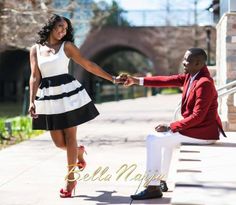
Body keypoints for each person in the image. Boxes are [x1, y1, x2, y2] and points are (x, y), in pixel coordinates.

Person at [28, 14, 124, 198]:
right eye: (59, 27)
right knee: (59, 143)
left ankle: (70, 180)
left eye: (65, 29)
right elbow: (35, 76)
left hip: (69, 94)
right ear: (50, 27)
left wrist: (112, 78)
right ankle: (79, 152)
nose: (62, 31)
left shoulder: (68, 46)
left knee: (71, 137)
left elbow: (88, 64)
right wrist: (32, 101)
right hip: (48, 96)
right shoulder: (35, 49)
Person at [124, 48, 226, 200]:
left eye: (187, 60)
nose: (184, 63)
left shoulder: (204, 83)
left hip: (204, 133)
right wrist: (136, 80)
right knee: (164, 139)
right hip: (197, 129)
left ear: (198, 63)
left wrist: (171, 126)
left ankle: (153, 187)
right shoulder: (191, 75)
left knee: (153, 139)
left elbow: (198, 117)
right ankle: (161, 180)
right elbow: (166, 80)